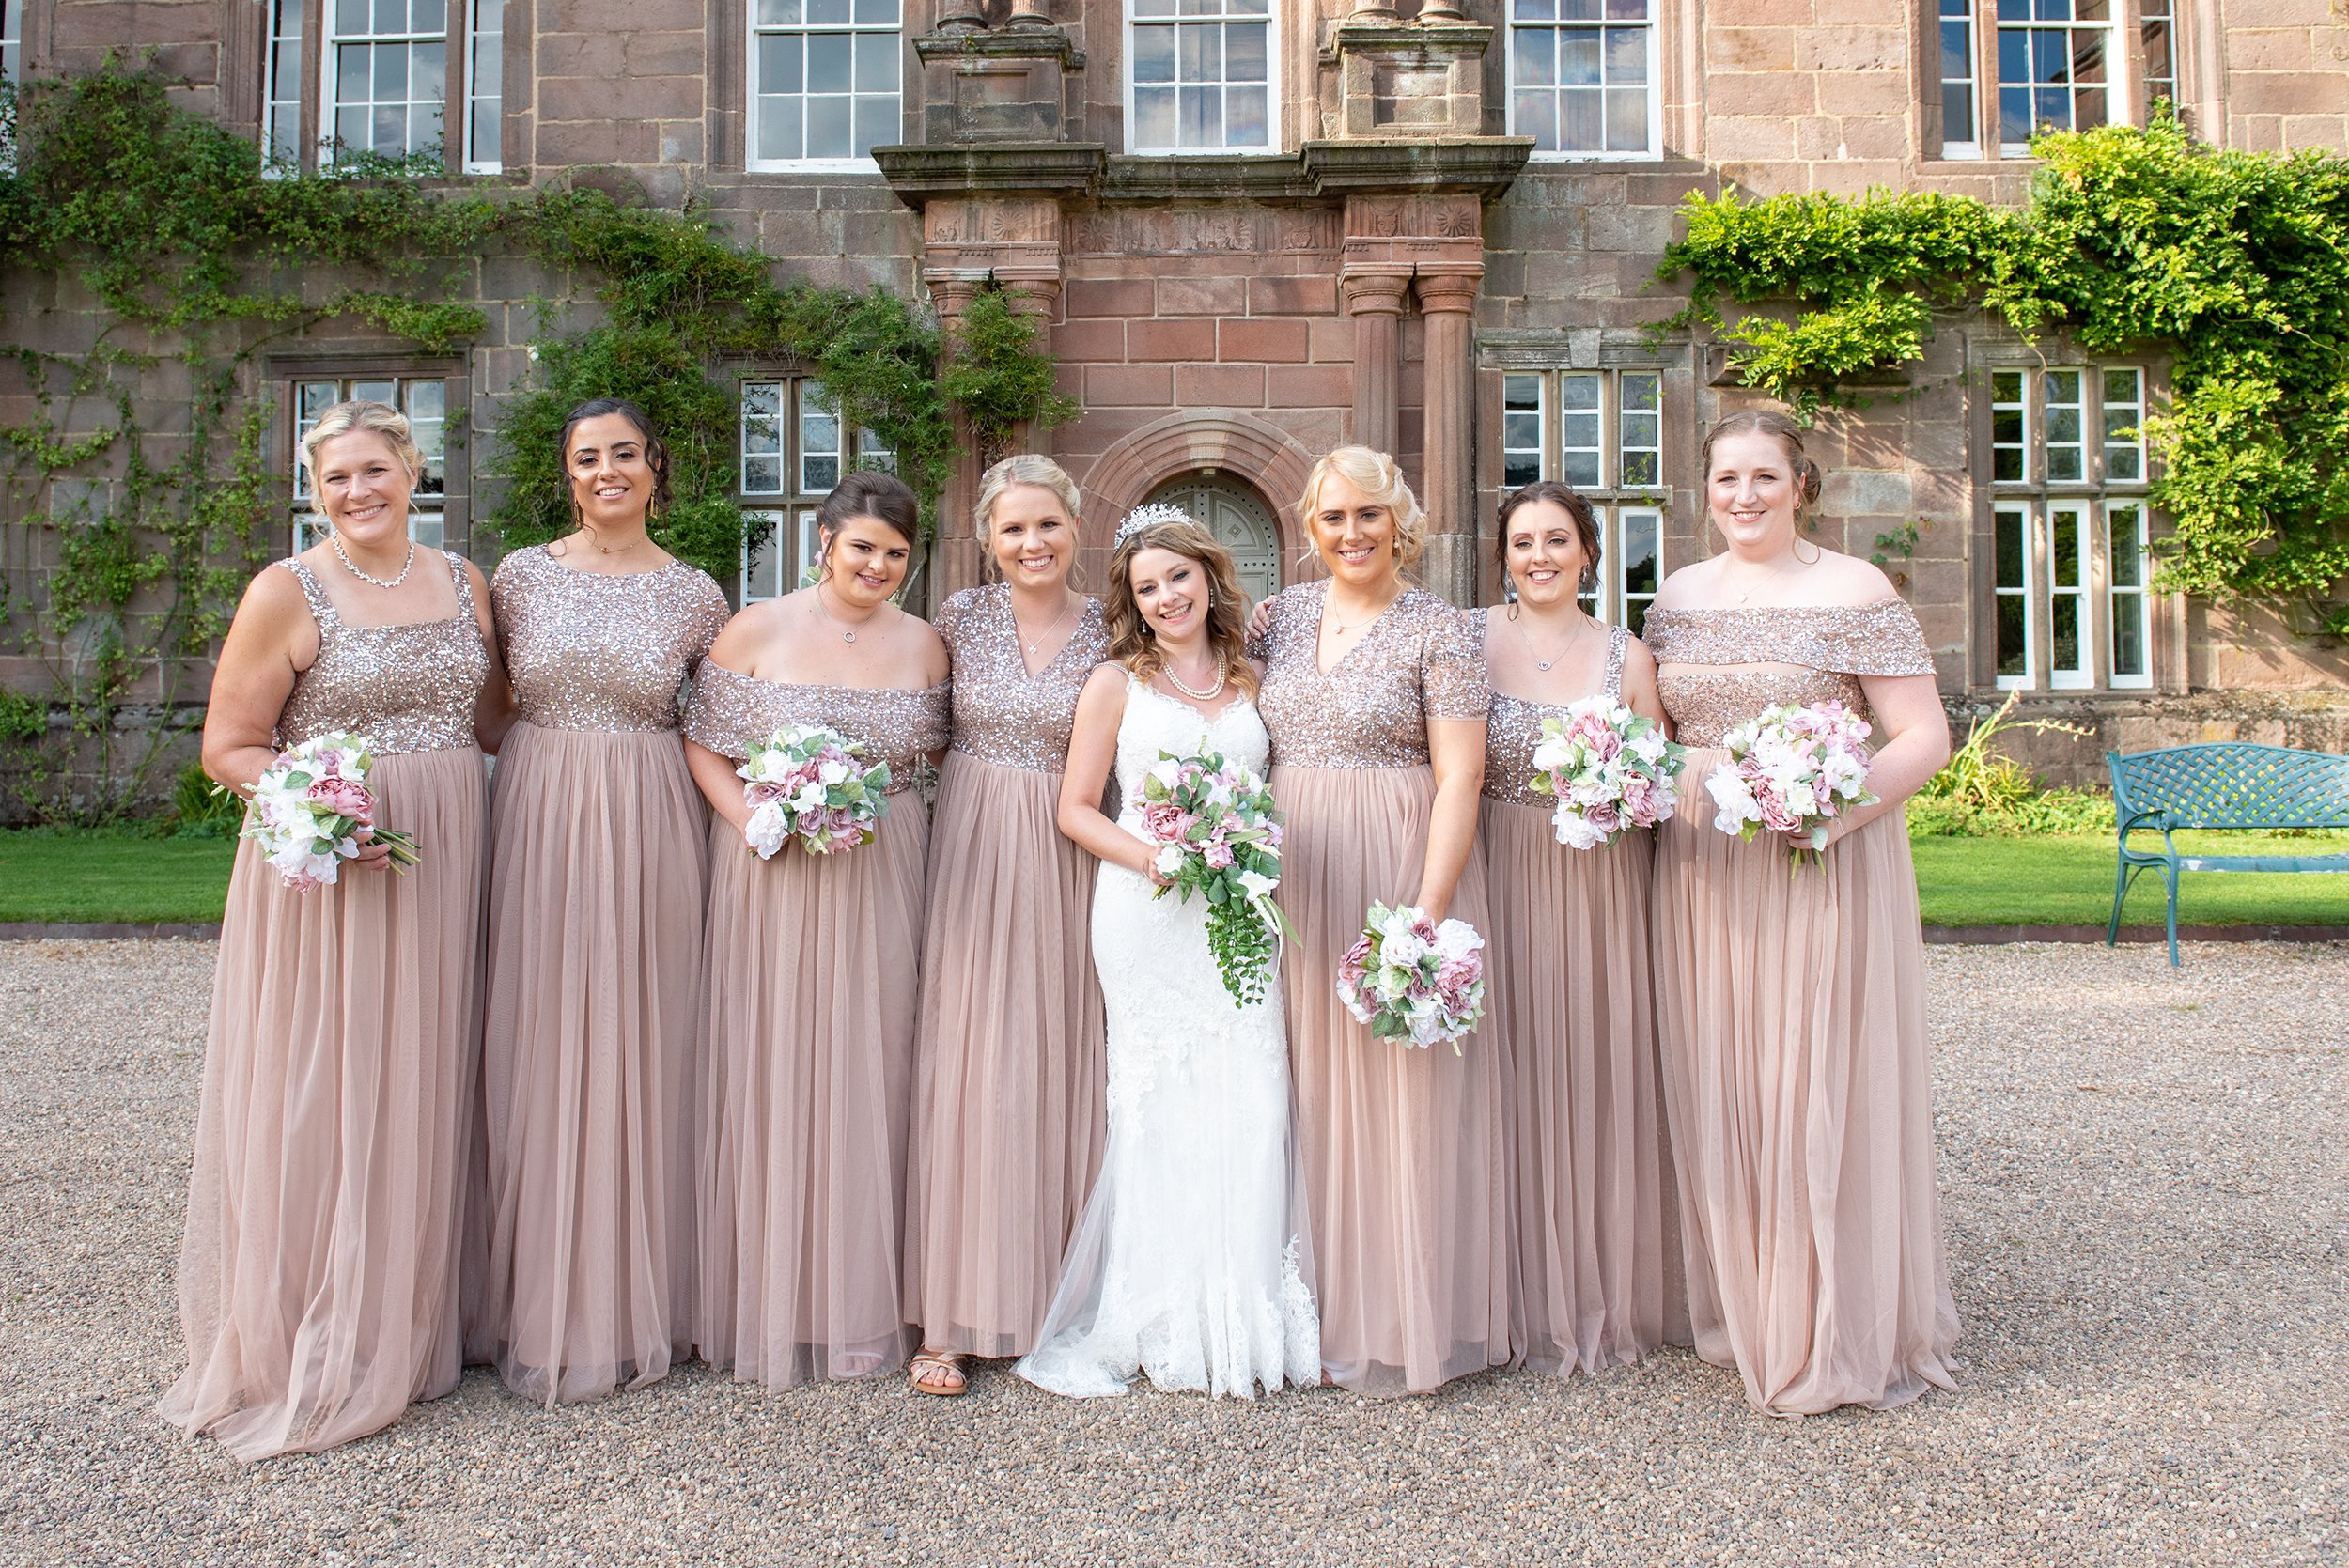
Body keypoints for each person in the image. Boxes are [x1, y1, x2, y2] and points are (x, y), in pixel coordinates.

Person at [162, 399, 503, 1458]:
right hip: (341, 858)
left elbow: (492, 720)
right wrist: (318, 808)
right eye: (335, 478)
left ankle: (424, 1319)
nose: (357, 492)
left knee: (435, 1067)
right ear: (317, 492)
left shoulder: (466, 580)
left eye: (374, 470)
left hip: (452, 845)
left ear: (414, 470)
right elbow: (232, 744)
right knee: (339, 1074)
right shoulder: (286, 589)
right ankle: (327, 1327)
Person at [1645, 408, 1959, 1415]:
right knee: (1719, 1072)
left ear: (1801, 484)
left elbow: (1921, 736)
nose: (1744, 496)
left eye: (1764, 478)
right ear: (1705, 486)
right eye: (1726, 477)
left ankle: (1828, 1318)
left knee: (1808, 1075)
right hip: (1697, 869)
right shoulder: (1677, 598)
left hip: (1814, 861)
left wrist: (1829, 815)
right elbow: (1654, 734)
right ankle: (1743, 1299)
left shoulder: (1853, 589)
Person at [1016, 505, 1318, 1400]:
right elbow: (1076, 808)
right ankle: (1155, 1312)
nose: (1165, 596)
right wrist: (1159, 856)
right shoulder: (1116, 683)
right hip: (1147, 909)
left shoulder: (1258, 680)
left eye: (1177, 577)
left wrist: (1243, 848)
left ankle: (1244, 1309)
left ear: (1208, 577)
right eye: (1147, 587)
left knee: (1252, 1093)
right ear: (1133, 601)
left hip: (1237, 911)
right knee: (1157, 1102)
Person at [472, 397, 730, 1405]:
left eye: (626, 453)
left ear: (655, 468)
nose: (608, 470)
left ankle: (641, 1295)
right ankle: (530, 1294)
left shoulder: (697, 594)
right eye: (589, 457)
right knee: (533, 1031)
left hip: (653, 817)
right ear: (567, 472)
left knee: (641, 1035)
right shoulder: (521, 576)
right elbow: (489, 708)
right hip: (537, 809)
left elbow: (710, 719)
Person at [1247, 446, 1512, 1395]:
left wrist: (1424, 918)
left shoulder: (1438, 629)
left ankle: (1398, 1312)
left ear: (1399, 520)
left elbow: (1462, 777)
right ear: (1309, 528)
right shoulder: (1276, 619)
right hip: (1289, 872)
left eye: (1367, 514)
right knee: (1299, 1079)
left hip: (1396, 861)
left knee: (1397, 1088)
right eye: (1332, 518)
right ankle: (1300, 1306)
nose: (1350, 533)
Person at [686, 471, 951, 1389]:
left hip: (886, 871)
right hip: (775, 873)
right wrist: (750, 815)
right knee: (776, 1063)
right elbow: (703, 740)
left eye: (893, 552)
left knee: (872, 1070)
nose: (875, 564)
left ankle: (856, 1303)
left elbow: (943, 759)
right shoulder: (757, 627)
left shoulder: (926, 645)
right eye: (860, 545)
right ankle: (771, 1297)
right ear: (824, 543)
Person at [904, 457, 1111, 1398]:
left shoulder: (1115, 626)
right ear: (986, 538)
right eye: (1011, 529)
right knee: (970, 1063)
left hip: (1076, 854)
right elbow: (908, 718)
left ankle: (1057, 1298)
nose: (1030, 544)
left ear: (1076, 526)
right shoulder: (958, 619)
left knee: (1065, 1058)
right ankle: (951, 1308)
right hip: (975, 848)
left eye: (1046, 525)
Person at [1477, 481, 1681, 1376]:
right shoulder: (1467, 640)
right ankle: (1502, 1283)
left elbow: (1660, 772)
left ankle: (1596, 1281)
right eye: (1523, 543)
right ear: (1503, 556)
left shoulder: (1627, 656)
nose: (1539, 557)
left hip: (1596, 878)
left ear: (1589, 553)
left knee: (1590, 1060)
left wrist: (1621, 788)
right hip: (1497, 863)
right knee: (1499, 1066)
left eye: (1557, 540)